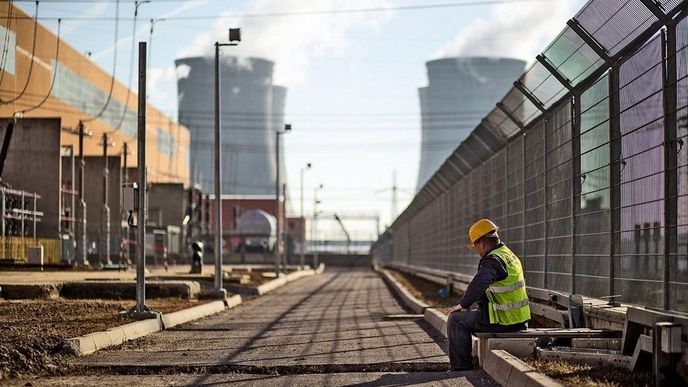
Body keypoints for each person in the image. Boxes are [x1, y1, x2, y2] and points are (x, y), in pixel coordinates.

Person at [446, 219, 531, 371]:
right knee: (469, 315)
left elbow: (479, 283)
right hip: (520, 320)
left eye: (476, 247)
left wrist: (462, 305)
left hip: (503, 321)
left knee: (455, 320)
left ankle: (461, 368)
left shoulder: (492, 260)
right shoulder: (508, 254)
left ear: (482, 244)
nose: (477, 251)